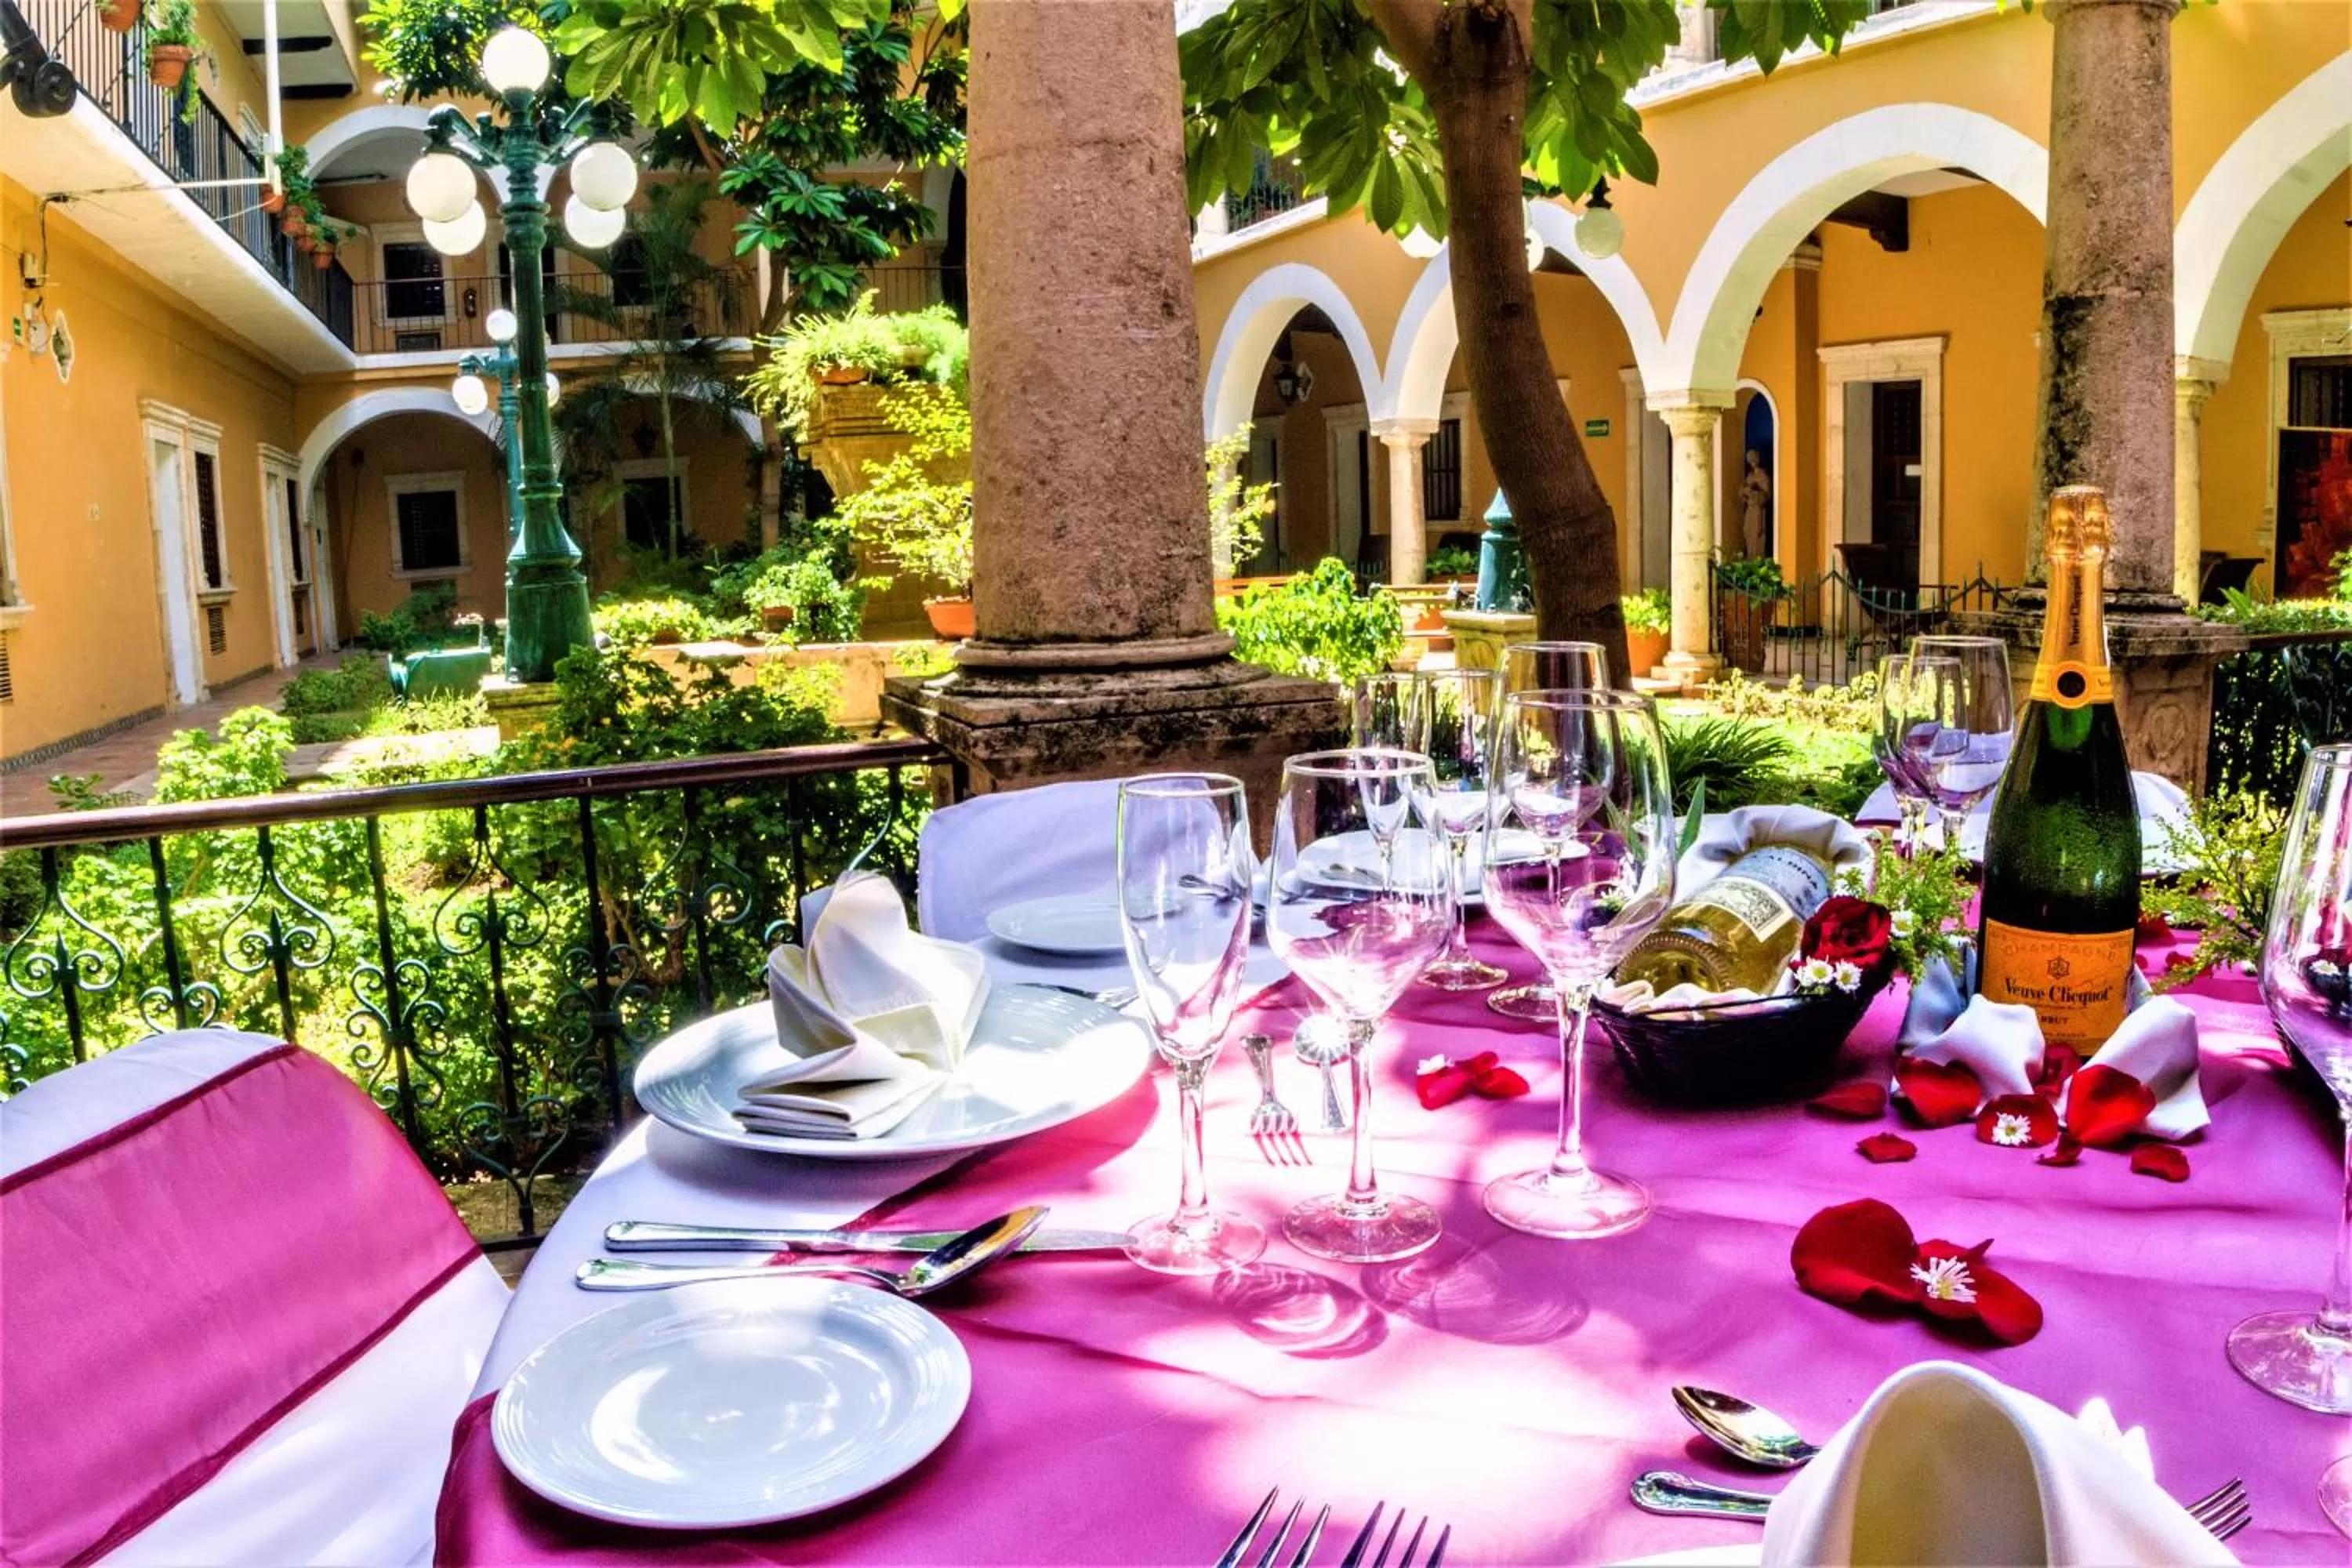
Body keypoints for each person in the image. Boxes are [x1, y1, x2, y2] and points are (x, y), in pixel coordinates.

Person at [1740, 448, 1772, 559]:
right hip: (1750, 510)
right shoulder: (1750, 476)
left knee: (1757, 537)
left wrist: (1753, 492)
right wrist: (1745, 492)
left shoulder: (1763, 476)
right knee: (1748, 533)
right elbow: (1742, 492)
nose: (1752, 462)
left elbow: (1766, 496)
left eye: (1753, 459)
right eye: (1750, 460)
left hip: (1758, 511)